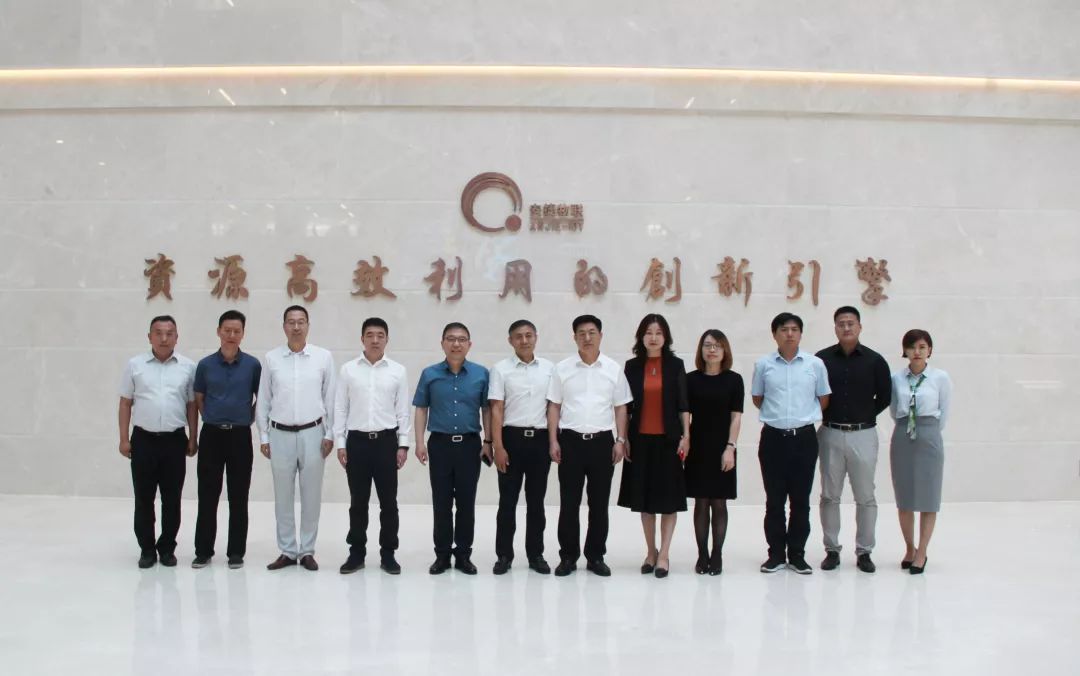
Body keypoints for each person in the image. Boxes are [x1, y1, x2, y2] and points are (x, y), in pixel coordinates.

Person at [547, 314, 632, 577]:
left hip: (602, 443)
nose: (587, 338)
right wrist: (553, 440)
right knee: (569, 503)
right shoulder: (562, 369)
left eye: (592, 332)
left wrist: (620, 440)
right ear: (574, 337)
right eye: (581, 333)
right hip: (570, 442)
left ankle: (596, 556)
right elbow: (554, 406)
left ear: (600, 336)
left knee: (599, 504)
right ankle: (568, 557)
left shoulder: (613, 369)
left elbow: (621, 407)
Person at [256, 305, 335, 572]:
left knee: (311, 495)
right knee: (283, 496)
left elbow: (330, 398)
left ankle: (308, 550)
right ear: (284, 326)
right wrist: (264, 436)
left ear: (308, 326)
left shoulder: (323, 357)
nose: (296, 327)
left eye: (301, 322)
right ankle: (288, 550)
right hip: (279, 434)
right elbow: (263, 400)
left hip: (314, 433)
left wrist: (330, 433)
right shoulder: (272, 358)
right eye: (291, 322)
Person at [751, 312, 830, 575]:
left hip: (804, 438)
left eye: (794, 329)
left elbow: (823, 398)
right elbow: (758, 398)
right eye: (784, 329)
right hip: (773, 438)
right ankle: (775, 554)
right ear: (774, 334)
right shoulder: (764, 365)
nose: (789, 334)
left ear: (801, 333)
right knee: (774, 500)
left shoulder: (815, 364)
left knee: (800, 500)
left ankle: (797, 554)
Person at [117, 315, 198, 569]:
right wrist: (123, 439)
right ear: (149, 336)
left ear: (177, 337)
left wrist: (193, 438)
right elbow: (125, 403)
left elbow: (192, 405)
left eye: (169, 333)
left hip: (174, 440)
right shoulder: (135, 365)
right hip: (143, 440)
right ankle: (147, 549)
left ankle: (167, 548)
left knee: (172, 499)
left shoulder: (188, 367)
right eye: (158, 333)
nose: (164, 338)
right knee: (144, 498)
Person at [815, 306, 891, 574]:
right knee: (829, 495)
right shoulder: (821, 359)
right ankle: (832, 550)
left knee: (865, 496)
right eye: (841, 323)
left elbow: (885, 396)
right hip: (830, 433)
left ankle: (864, 551)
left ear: (860, 326)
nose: (846, 327)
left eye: (850, 323)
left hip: (864, 434)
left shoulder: (875, 361)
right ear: (835, 327)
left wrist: (864, 415)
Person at [413, 322, 492, 575]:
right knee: (441, 502)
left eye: (461, 339)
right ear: (442, 343)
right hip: (440, 445)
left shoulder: (481, 374)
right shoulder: (429, 374)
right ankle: (442, 555)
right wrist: (419, 442)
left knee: (467, 503)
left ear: (469, 344)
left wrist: (488, 442)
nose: (456, 344)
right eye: (450, 339)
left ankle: (464, 555)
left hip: (470, 446)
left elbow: (487, 410)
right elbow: (421, 408)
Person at [333, 317, 409, 576]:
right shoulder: (348, 370)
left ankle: (388, 554)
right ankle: (356, 553)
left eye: (380, 335)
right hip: (357, 443)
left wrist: (403, 445)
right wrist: (341, 443)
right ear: (362, 339)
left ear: (387, 339)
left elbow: (403, 411)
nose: (375, 340)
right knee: (358, 502)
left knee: (389, 502)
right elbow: (340, 408)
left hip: (386, 443)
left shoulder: (398, 371)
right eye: (370, 335)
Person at [617, 314, 689, 579]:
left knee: (669, 501)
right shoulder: (632, 366)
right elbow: (625, 406)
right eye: (648, 332)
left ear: (666, 337)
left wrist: (686, 436)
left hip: (669, 441)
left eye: (659, 332)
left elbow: (683, 405)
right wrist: (623, 438)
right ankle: (650, 551)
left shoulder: (676, 365)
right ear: (641, 336)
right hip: (640, 441)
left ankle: (664, 554)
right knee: (645, 501)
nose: (654, 337)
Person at [192, 310, 262, 570]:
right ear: (218, 331)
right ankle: (203, 551)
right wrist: (210, 416)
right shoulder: (205, 365)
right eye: (227, 330)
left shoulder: (253, 365)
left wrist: (247, 418)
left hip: (240, 436)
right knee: (207, 495)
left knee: (239, 496)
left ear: (243, 334)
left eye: (237, 331)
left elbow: (261, 398)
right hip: (211, 434)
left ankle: (236, 552)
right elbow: (199, 398)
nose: (231, 335)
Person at [489, 319, 555, 575]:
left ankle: (536, 554)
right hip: (511, 440)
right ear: (510, 340)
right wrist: (498, 446)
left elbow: (553, 407)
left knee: (536, 502)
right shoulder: (500, 369)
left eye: (529, 335)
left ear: (536, 337)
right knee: (507, 501)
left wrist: (553, 441)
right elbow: (496, 408)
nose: (524, 340)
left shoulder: (549, 369)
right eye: (518, 336)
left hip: (539, 440)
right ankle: (504, 555)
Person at [889, 329, 952, 575]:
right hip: (903, 435)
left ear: (930, 350)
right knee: (904, 496)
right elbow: (894, 409)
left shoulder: (940, 377)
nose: (917, 352)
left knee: (928, 496)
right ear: (905, 350)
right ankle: (909, 547)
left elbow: (944, 412)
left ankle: (922, 551)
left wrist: (928, 430)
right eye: (912, 347)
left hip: (929, 434)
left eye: (922, 347)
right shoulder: (897, 378)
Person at [684, 329, 743, 576]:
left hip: (723, 447)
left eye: (717, 345)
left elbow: (736, 416)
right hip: (698, 446)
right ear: (701, 349)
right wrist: (685, 440)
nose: (712, 350)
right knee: (701, 502)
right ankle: (702, 554)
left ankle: (717, 554)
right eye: (707, 345)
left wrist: (731, 447)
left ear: (725, 350)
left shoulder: (734, 380)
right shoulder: (690, 379)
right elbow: (685, 414)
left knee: (719, 502)